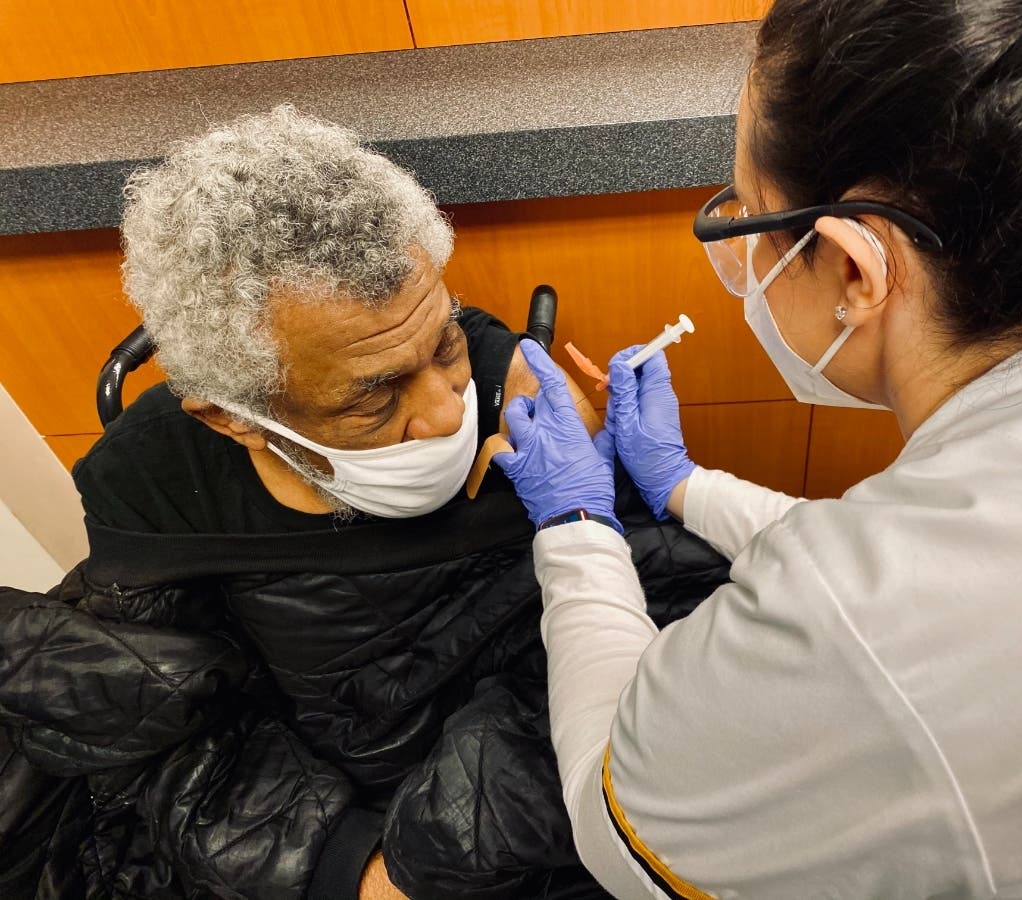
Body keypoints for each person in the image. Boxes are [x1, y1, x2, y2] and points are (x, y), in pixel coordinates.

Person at [494, 1, 1022, 897]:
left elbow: (614, 824)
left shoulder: (870, 624)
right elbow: (953, 552)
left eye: (744, 222)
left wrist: (578, 520)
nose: (741, 264)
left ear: (854, 271)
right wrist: (683, 486)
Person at [0, 106, 731, 900]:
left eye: (442, 343)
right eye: (374, 395)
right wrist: (351, 868)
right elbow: (167, 725)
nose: (449, 410)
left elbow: (638, 663)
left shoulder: (514, 392)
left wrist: (592, 503)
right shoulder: (153, 484)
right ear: (232, 418)